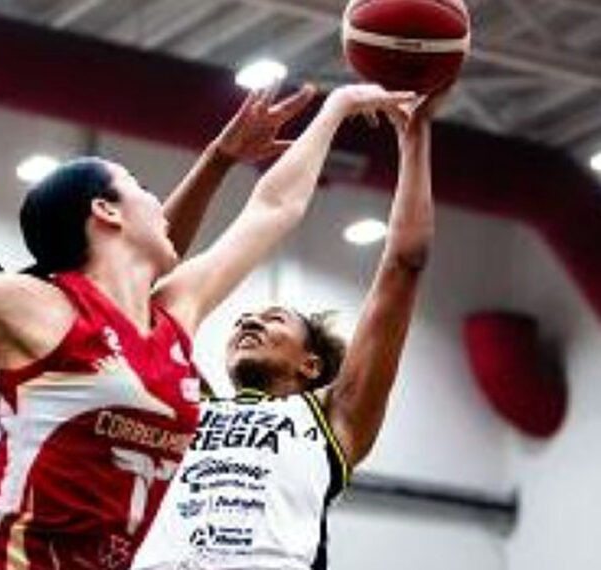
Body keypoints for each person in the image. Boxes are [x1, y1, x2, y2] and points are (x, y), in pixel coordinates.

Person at [0, 83, 413, 570]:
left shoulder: (173, 318)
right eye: (142, 188)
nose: (157, 200)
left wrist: (340, 107)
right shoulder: (32, 307)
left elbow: (273, 210)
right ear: (107, 213)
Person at [131, 90, 443, 570]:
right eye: (241, 321)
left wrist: (415, 136)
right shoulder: (189, 406)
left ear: (310, 364)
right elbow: (137, 291)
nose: (249, 321)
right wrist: (218, 159)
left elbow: (406, 263)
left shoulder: (332, 417)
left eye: (273, 319)